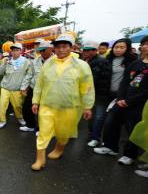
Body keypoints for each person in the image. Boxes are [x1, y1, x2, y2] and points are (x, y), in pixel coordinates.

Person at [30, 34, 94, 171]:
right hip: (47, 105)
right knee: (43, 132)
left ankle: (59, 149)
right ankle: (40, 159)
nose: (61, 50)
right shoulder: (48, 64)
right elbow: (39, 84)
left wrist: (88, 106)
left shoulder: (81, 65)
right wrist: (35, 101)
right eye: (58, 47)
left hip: (69, 107)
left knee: (63, 133)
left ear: (72, 47)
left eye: (64, 46)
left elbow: (86, 87)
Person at [94, 35, 148, 165]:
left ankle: (129, 155)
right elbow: (125, 81)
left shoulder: (132, 60)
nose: (145, 46)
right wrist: (120, 97)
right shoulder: (136, 63)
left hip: (139, 104)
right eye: (144, 44)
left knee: (132, 129)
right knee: (111, 122)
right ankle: (110, 147)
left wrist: (129, 101)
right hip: (121, 100)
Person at [80, 41, 112, 147]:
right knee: (89, 115)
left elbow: (97, 80)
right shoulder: (84, 61)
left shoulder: (102, 61)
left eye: (88, 50)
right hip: (88, 94)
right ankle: (91, 134)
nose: (85, 52)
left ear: (95, 51)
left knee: (98, 117)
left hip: (100, 94)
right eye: (84, 50)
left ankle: (96, 138)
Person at [19, 41, 54, 133]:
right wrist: (23, 87)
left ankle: (41, 129)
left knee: (43, 111)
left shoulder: (56, 61)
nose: (41, 52)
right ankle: (30, 125)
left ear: (50, 49)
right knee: (26, 108)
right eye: (40, 51)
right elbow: (29, 75)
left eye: (43, 50)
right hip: (33, 87)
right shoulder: (36, 61)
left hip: (47, 90)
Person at [0, 42, 31, 129]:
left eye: (17, 50)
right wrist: (4, 63)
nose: (14, 52)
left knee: (17, 106)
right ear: (10, 52)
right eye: (13, 50)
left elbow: (29, 75)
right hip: (5, 87)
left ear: (21, 51)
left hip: (17, 88)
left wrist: (24, 86)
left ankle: (20, 118)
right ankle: (2, 120)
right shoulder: (7, 61)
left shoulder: (26, 62)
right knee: (2, 105)